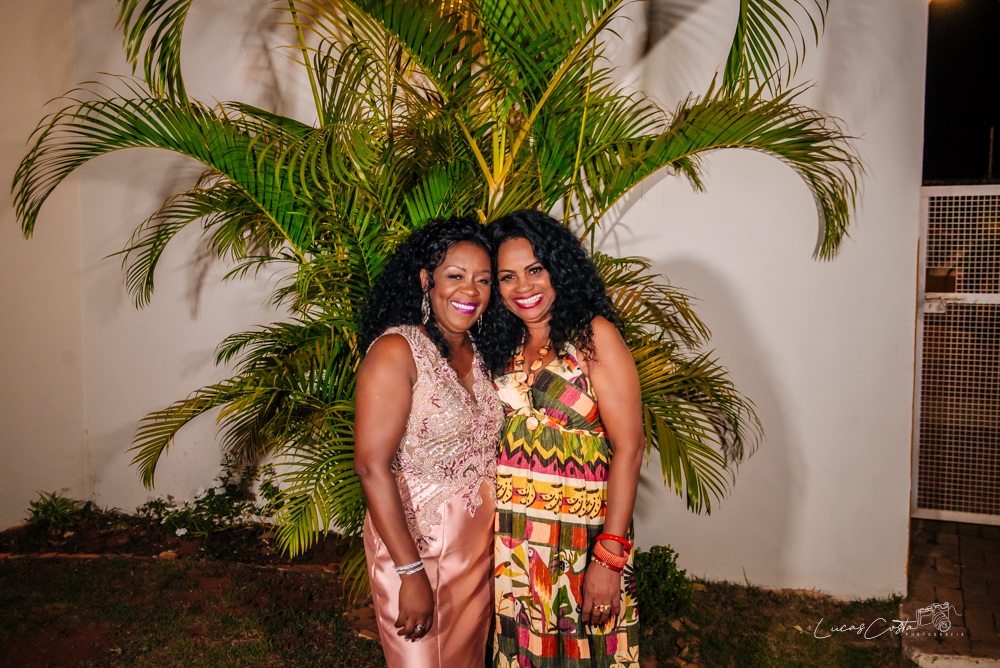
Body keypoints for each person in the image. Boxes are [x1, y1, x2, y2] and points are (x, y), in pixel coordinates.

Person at [479, 210, 644, 667]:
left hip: (582, 540)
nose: (523, 287)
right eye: (507, 276)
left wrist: (609, 557)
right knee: (521, 653)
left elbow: (630, 447)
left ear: (559, 268)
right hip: (514, 541)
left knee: (587, 653)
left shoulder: (593, 337)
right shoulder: (500, 344)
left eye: (535, 269)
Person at [354, 216, 504, 668]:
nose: (470, 290)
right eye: (455, 276)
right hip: (419, 544)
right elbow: (371, 466)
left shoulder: (481, 351)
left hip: (479, 550)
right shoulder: (397, 350)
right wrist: (410, 572)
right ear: (426, 280)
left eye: (483, 280)